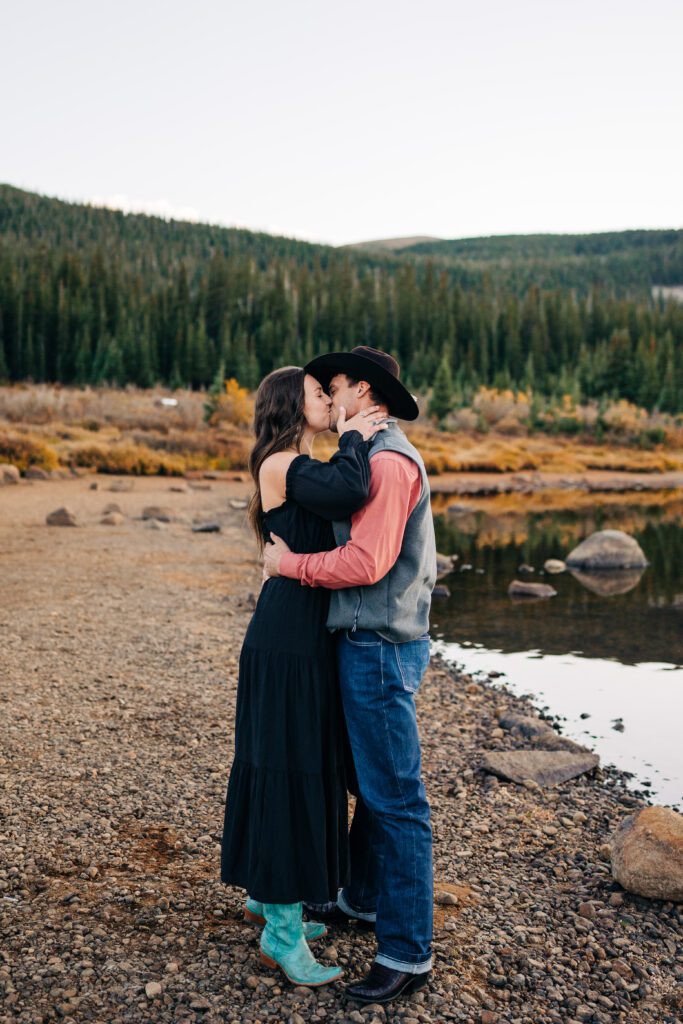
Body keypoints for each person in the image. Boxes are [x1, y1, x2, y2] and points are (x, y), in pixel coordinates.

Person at [264, 346, 437, 1006]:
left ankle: (406, 953)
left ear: (362, 391)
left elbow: (365, 563)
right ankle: (361, 902)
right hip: (374, 641)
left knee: (395, 798)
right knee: (372, 784)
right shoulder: (377, 450)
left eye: (334, 388)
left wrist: (290, 569)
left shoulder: (389, 462)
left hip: (378, 647)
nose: (330, 399)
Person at [220, 365, 388, 988]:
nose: (331, 399)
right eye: (322, 394)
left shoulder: (296, 463)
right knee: (289, 767)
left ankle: (270, 900)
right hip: (289, 639)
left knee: (285, 760)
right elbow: (348, 490)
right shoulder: (280, 462)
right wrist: (355, 432)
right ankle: (282, 936)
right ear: (293, 403)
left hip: (299, 633)